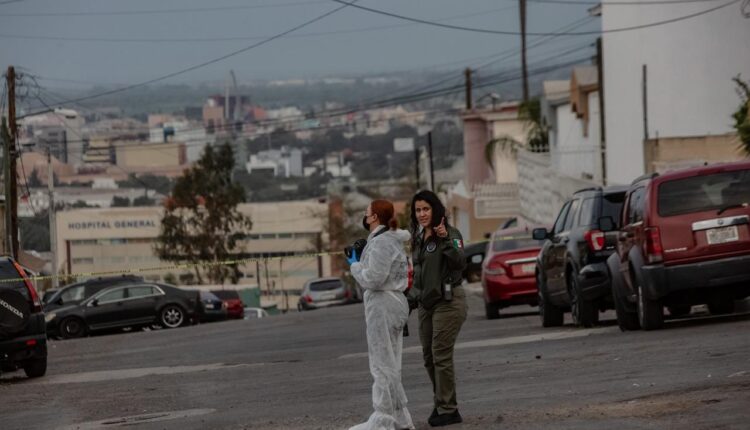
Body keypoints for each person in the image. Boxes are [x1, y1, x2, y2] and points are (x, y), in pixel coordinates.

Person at [347, 199, 415, 430]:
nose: (365, 217)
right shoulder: (384, 240)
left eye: (366, 213)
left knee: (381, 363)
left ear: (374, 216)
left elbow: (373, 279)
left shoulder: (381, 243)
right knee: (390, 363)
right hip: (391, 303)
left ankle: (383, 418)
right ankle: (401, 416)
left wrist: (355, 265)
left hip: (383, 304)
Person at [408, 190, 467, 427]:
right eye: (418, 210)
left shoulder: (451, 234)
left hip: (449, 302)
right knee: (428, 357)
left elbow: (460, 262)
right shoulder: (419, 238)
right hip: (426, 304)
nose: (422, 214)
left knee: (441, 354)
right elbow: (419, 278)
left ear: (436, 210)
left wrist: (444, 240)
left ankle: (448, 409)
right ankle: (442, 402)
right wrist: (409, 301)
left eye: (426, 209)